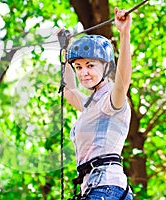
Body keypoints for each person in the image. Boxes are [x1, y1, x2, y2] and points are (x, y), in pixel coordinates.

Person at [63, 7, 133, 200]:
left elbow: (123, 82)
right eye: (79, 67)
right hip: (96, 188)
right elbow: (68, 91)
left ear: (106, 66)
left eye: (90, 65)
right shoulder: (90, 105)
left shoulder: (111, 100)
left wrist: (124, 33)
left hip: (106, 188)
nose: (83, 72)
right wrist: (66, 50)